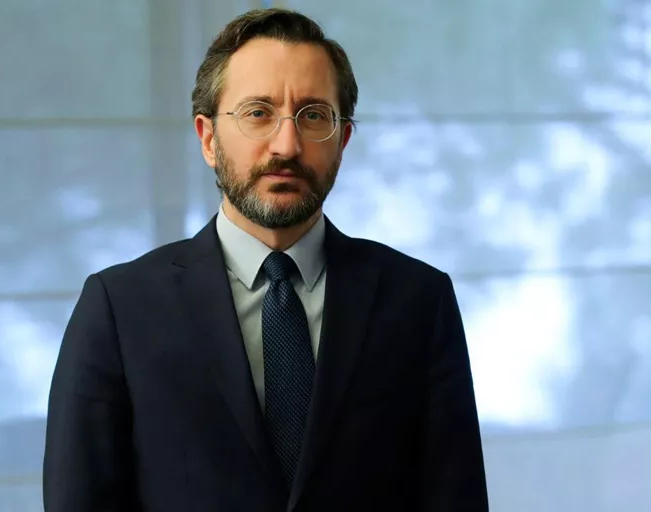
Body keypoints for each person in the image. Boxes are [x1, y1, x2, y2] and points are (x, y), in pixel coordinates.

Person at [43, 8, 489, 512]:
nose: (287, 145)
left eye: (313, 115)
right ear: (208, 138)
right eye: (258, 113)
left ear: (342, 140)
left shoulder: (418, 301)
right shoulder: (120, 308)